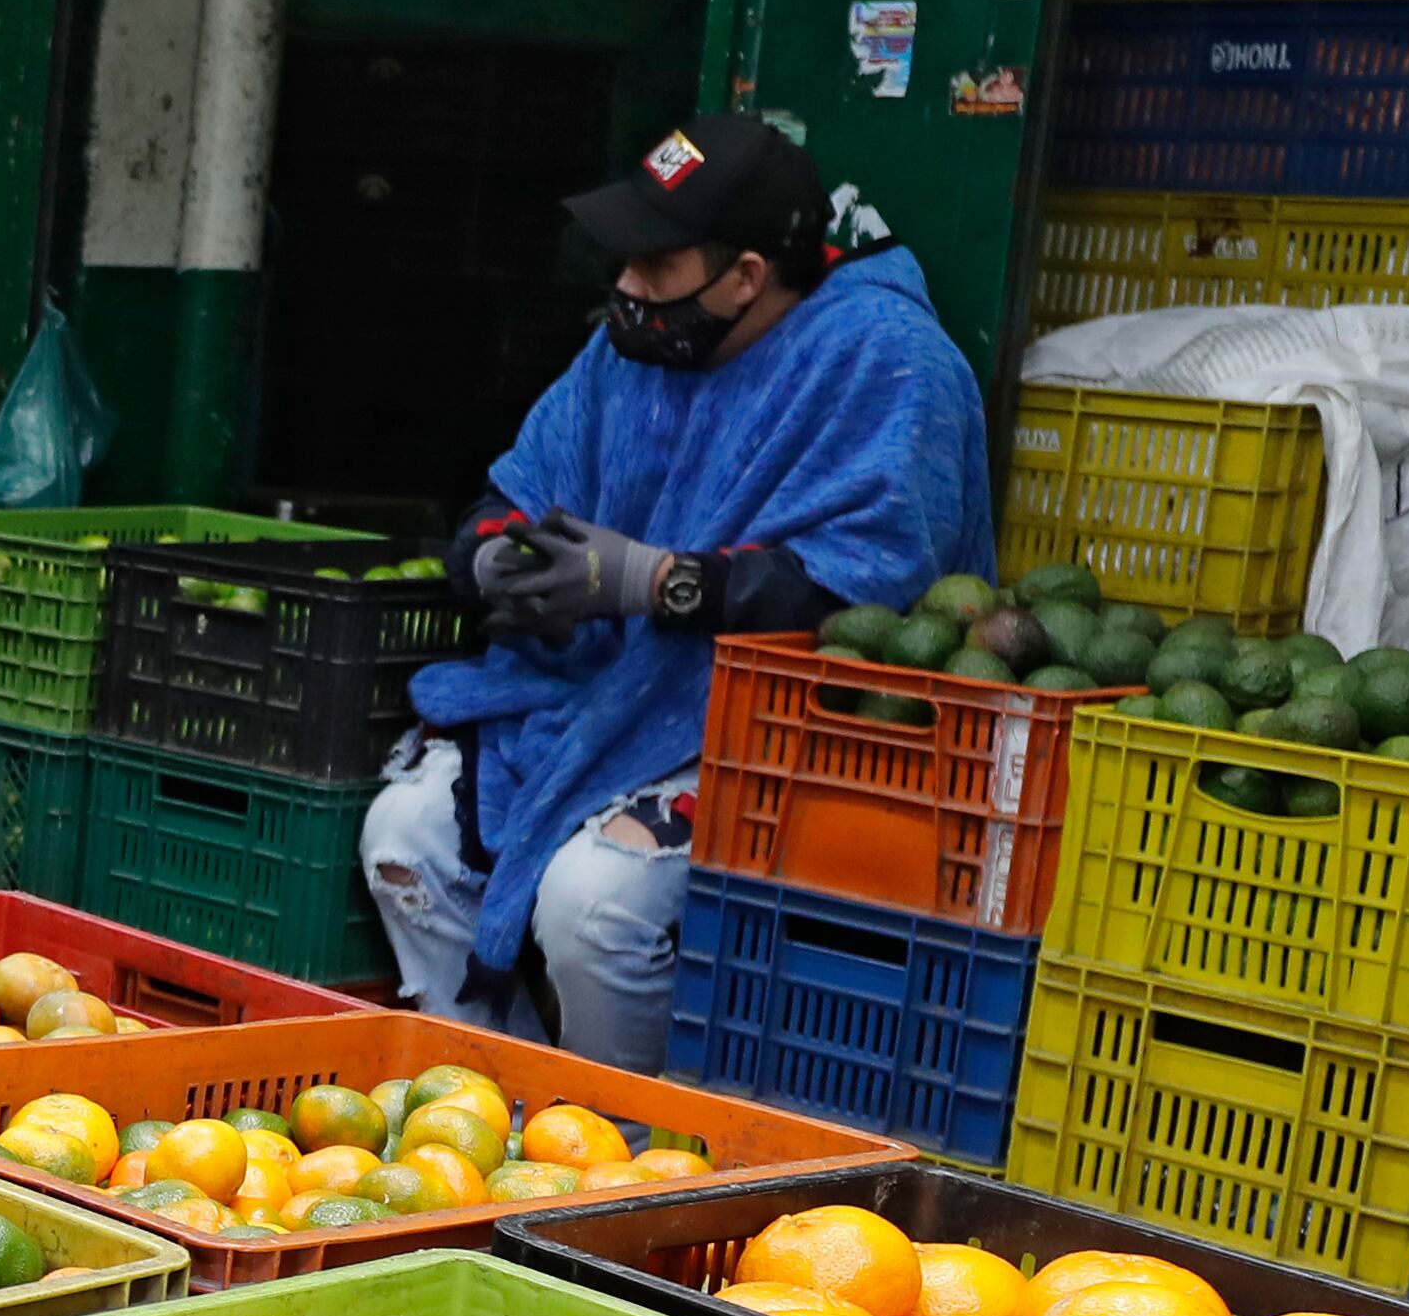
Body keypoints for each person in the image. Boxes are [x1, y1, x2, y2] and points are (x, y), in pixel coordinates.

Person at [360, 115, 991, 1072]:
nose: (626, 287)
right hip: (592, 697)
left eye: (656, 265)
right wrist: (494, 559)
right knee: (401, 836)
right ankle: (499, 1112)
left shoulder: (886, 357)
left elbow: (873, 599)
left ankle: (627, 1152)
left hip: (785, 731)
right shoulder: (635, 344)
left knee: (594, 903)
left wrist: (655, 582)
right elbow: (511, 493)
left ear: (745, 275)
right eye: (622, 260)